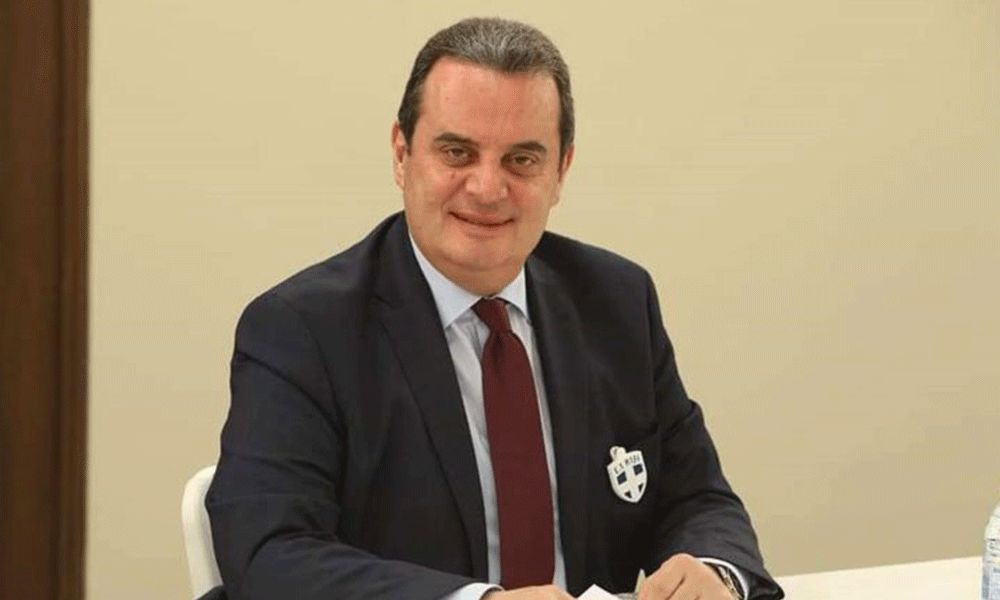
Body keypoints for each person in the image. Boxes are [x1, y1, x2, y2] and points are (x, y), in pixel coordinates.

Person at [206, 17, 784, 600]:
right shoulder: (301, 330)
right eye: (457, 152)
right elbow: (269, 552)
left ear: (561, 171)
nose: (487, 188)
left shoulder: (617, 301)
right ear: (402, 154)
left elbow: (696, 498)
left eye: (521, 160)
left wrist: (716, 571)